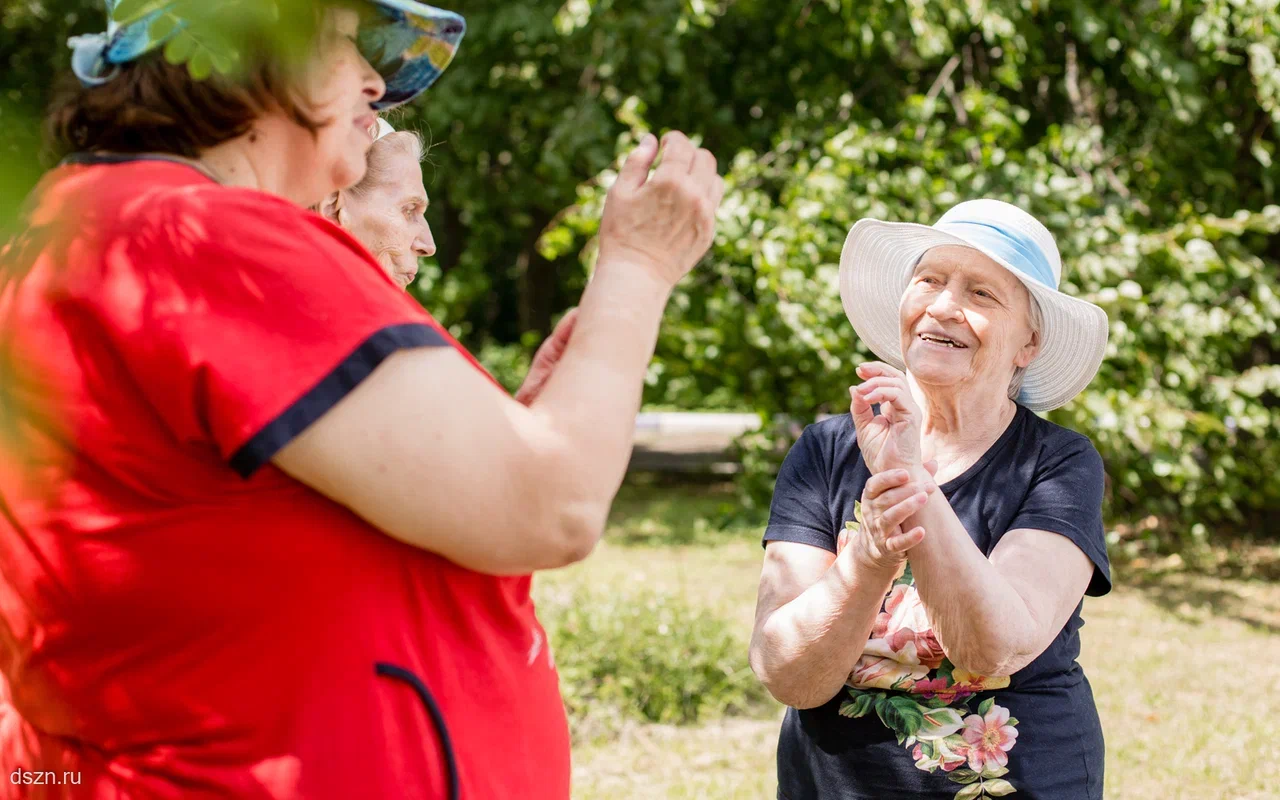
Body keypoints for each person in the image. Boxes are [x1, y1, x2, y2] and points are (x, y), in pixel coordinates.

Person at [0, 1, 723, 798]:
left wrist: (504, 430)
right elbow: (554, 504)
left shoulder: (76, 228)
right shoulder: (209, 241)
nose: (378, 83)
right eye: (348, 45)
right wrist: (639, 267)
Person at [749, 199, 1112, 799]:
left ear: (1029, 344)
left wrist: (911, 481)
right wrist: (869, 558)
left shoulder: (1058, 463)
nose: (943, 307)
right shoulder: (824, 451)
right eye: (930, 280)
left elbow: (994, 649)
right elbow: (787, 674)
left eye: (982, 295)